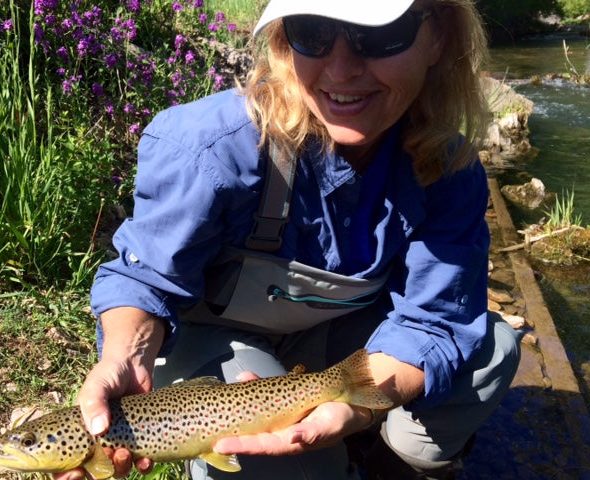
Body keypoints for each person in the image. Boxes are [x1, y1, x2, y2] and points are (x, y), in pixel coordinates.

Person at [56, 1, 521, 479]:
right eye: (313, 32)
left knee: (492, 351)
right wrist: (125, 356)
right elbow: (146, 279)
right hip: (222, 346)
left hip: (339, 344)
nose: (341, 69)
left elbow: (434, 319)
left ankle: (389, 458)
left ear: (439, 37)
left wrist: (357, 410)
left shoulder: (449, 170)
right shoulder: (209, 146)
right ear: (282, 40)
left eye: (380, 35)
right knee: (273, 464)